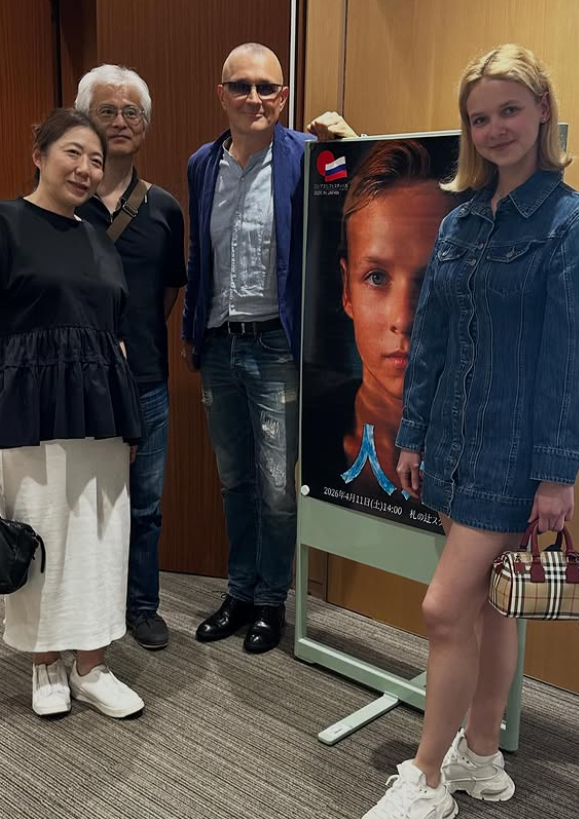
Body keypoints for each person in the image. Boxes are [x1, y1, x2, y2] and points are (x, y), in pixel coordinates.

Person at [362, 43, 579, 819]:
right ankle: (480, 757)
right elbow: (431, 339)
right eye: (479, 118)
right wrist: (413, 435)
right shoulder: (458, 221)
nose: (494, 129)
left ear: (542, 110)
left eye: (508, 110)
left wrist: (557, 473)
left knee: (442, 609)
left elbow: (567, 357)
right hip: (451, 446)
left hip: (514, 455)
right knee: (489, 607)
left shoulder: (566, 222)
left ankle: (425, 778)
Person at [182, 42, 355, 653]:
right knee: (235, 481)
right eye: (241, 86)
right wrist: (192, 332)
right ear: (221, 94)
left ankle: (269, 601)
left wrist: (350, 145)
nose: (253, 98)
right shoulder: (202, 164)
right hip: (219, 347)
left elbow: (357, 204)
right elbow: (200, 255)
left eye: (266, 87)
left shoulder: (307, 155)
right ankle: (238, 591)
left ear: (283, 96)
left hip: (277, 347)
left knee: (279, 487)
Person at [0, 108, 145, 718]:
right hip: (29, 407)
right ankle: (44, 663)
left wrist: (128, 418)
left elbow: (114, 332)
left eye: (96, 160)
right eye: (73, 153)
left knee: (100, 535)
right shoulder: (6, 223)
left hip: (101, 409)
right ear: (39, 155)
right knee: (41, 531)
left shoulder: (99, 238)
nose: (86, 169)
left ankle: (92, 664)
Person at [75, 65, 187, 651]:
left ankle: (141, 606)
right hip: (74, 384)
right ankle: (81, 611)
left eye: (131, 113)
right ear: (83, 120)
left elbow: (167, 294)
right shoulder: (59, 203)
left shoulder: (164, 208)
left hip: (145, 380)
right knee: (80, 506)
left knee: (144, 505)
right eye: (107, 111)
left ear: (144, 125)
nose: (120, 122)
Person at [302, 139, 459, 521]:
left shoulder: (483, 448)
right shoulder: (311, 431)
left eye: (430, 279)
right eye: (376, 277)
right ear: (346, 290)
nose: (403, 318)